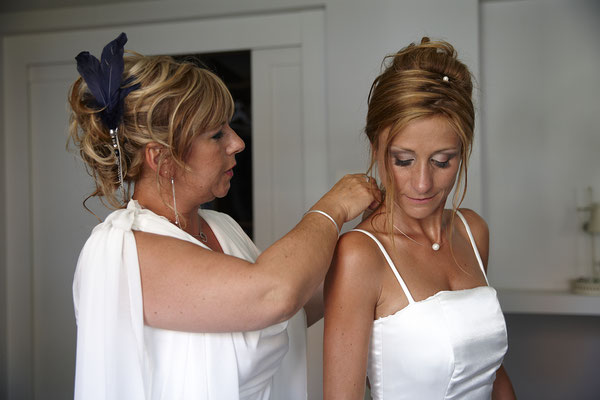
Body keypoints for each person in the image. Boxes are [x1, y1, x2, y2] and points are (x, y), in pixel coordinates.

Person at [68, 33, 379, 400]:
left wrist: (371, 240)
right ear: (162, 159)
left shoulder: (221, 227)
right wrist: (333, 208)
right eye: (217, 134)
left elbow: (287, 312)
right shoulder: (123, 252)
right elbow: (274, 295)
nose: (238, 143)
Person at [323, 37, 516, 400]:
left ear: (464, 150)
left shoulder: (473, 231)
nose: (423, 183)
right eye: (403, 160)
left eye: (443, 161)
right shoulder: (360, 255)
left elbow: (491, 371)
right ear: (375, 148)